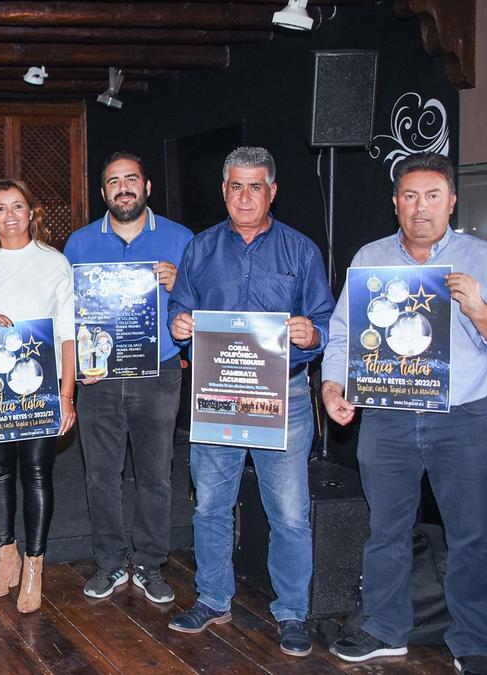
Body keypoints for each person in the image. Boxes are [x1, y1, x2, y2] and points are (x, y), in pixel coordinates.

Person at [320, 153, 487, 675]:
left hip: (463, 418)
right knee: (386, 529)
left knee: (470, 536)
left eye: (431, 196)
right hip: (388, 418)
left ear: (452, 201)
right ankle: (384, 628)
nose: (420, 208)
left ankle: (473, 642)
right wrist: (335, 384)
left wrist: (482, 311)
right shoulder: (371, 257)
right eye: (409, 196)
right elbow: (341, 334)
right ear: (395, 203)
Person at [166, 147, 333, 657]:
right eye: (235, 186)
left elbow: (325, 321)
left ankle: (291, 613)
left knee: (288, 513)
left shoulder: (301, 251)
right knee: (211, 507)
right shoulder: (199, 248)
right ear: (224, 190)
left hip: (285, 397)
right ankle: (213, 598)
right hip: (217, 396)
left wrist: (312, 334)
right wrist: (178, 325)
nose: (244, 196)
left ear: (272, 191)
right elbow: (181, 306)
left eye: (254, 186)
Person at [62, 152, 194, 605]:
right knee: (101, 475)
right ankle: (110, 562)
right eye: (113, 181)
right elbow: (67, 313)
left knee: (156, 474)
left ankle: (152, 564)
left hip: (158, 373)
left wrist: (180, 285)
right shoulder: (78, 245)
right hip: (96, 375)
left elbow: (202, 305)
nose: (123, 188)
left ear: (147, 187)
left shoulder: (181, 239)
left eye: (131, 179)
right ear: (103, 193)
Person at [0, 178, 77, 613]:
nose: (10, 215)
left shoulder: (54, 263)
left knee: (36, 472)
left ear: (32, 212)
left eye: (18, 206)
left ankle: (34, 567)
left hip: (42, 387)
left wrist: (68, 396)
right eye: (1, 208)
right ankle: (4, 557)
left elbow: (67, 335)